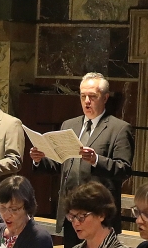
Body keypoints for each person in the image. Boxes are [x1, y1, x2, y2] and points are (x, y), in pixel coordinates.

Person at [27, 71, 135, 205]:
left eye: (92, 96)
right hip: (68, 206)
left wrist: (96, 160)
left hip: (98, 208)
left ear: (105, 98)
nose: (87, 101)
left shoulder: (119, 128)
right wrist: (39, 160)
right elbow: (61, 164)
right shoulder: (69, 125)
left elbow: (124, 170)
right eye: (83, 96)